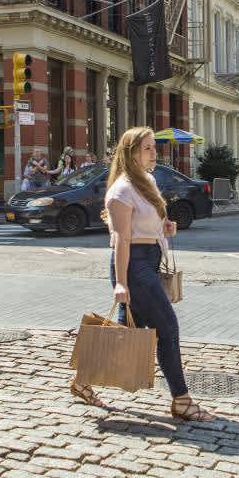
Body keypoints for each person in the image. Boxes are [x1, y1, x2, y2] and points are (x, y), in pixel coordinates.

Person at [70, 126, 214, 422]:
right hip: (134, 267)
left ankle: (83, 380)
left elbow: (146, 224)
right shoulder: (120, 190)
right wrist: (121, 283)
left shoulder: (146, 182)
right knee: (168, 329)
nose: (154, 153)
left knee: (127, 335)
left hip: (148, 259)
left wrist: (165, 228)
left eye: (153, 147)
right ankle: (182, 400)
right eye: (148, 147)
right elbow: (122, 239)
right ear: (131, 153)